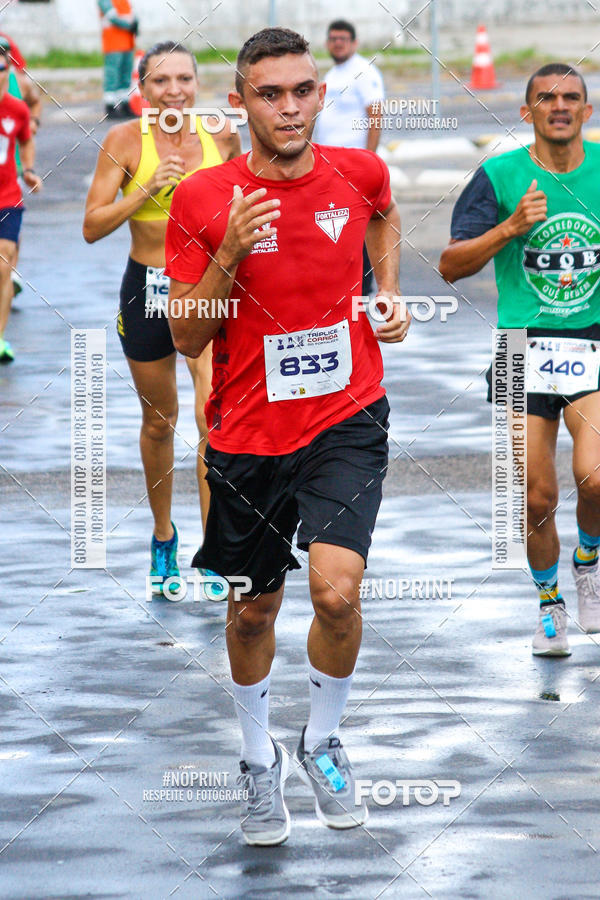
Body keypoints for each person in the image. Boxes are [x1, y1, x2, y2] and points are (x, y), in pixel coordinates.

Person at [165, 27, 409, 845]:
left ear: (320, 93)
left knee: (337, 592)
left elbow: (383, 215)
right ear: (240, 103)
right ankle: (256, 760)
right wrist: (230, 248)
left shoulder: (360, 170)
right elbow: (189, 337)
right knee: (251, 613)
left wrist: (388, 293)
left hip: (348, 415)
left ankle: (324, 740)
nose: (292, 107)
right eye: (271, 94)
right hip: (247, 434)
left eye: (304, 90)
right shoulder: (203, 198)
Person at [439, 63, 600, 657]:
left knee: (597, 475)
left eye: (571, 97)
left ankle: (588, 558)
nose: (559, 105)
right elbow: (451, 265)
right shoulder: (499, 175)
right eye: (546, 97)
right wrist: (510, 226)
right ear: (526, 111)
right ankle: (549, 604)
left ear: (587, 110)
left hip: (593, 338)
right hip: (520, 348)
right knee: (533, 497)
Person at [83, 41, 240, 592]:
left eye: (183, 79)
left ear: (196, 84)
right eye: (160, 81)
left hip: (207, 288)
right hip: (148, 289)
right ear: (143, 90)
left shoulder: (221, 133)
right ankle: (162, 535)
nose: (174, 90)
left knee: (209, 418)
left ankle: (215, 547)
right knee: (160, 420)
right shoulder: (125, 140)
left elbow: (246, 196)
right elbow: (92, 225)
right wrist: (146, 189)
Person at [313, 19, 384, 296]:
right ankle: (342, 285)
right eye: (333, 38)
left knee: (360, 227)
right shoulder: (332, 74)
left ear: (354, 43)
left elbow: (375, 117)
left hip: (355, 168)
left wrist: (369, 161)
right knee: (336, 226)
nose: (337, 43)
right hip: (330, 169)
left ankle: (363, 289)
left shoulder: (364, 72)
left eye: (343, 38)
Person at [0, 43, 42, 362]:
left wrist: (28, 170)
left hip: (7, 196)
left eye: (2, 69)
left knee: (3, 266)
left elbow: (26, 140)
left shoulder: (17, 108)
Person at [97, 0, 138, 118]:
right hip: (113, 42)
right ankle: (110, 106)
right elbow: (112, 17)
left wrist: (136, 23)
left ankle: (125, 104)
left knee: (125, 75)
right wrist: (130, 26)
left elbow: (131, 14)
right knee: (113, 75)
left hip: (127, 42)